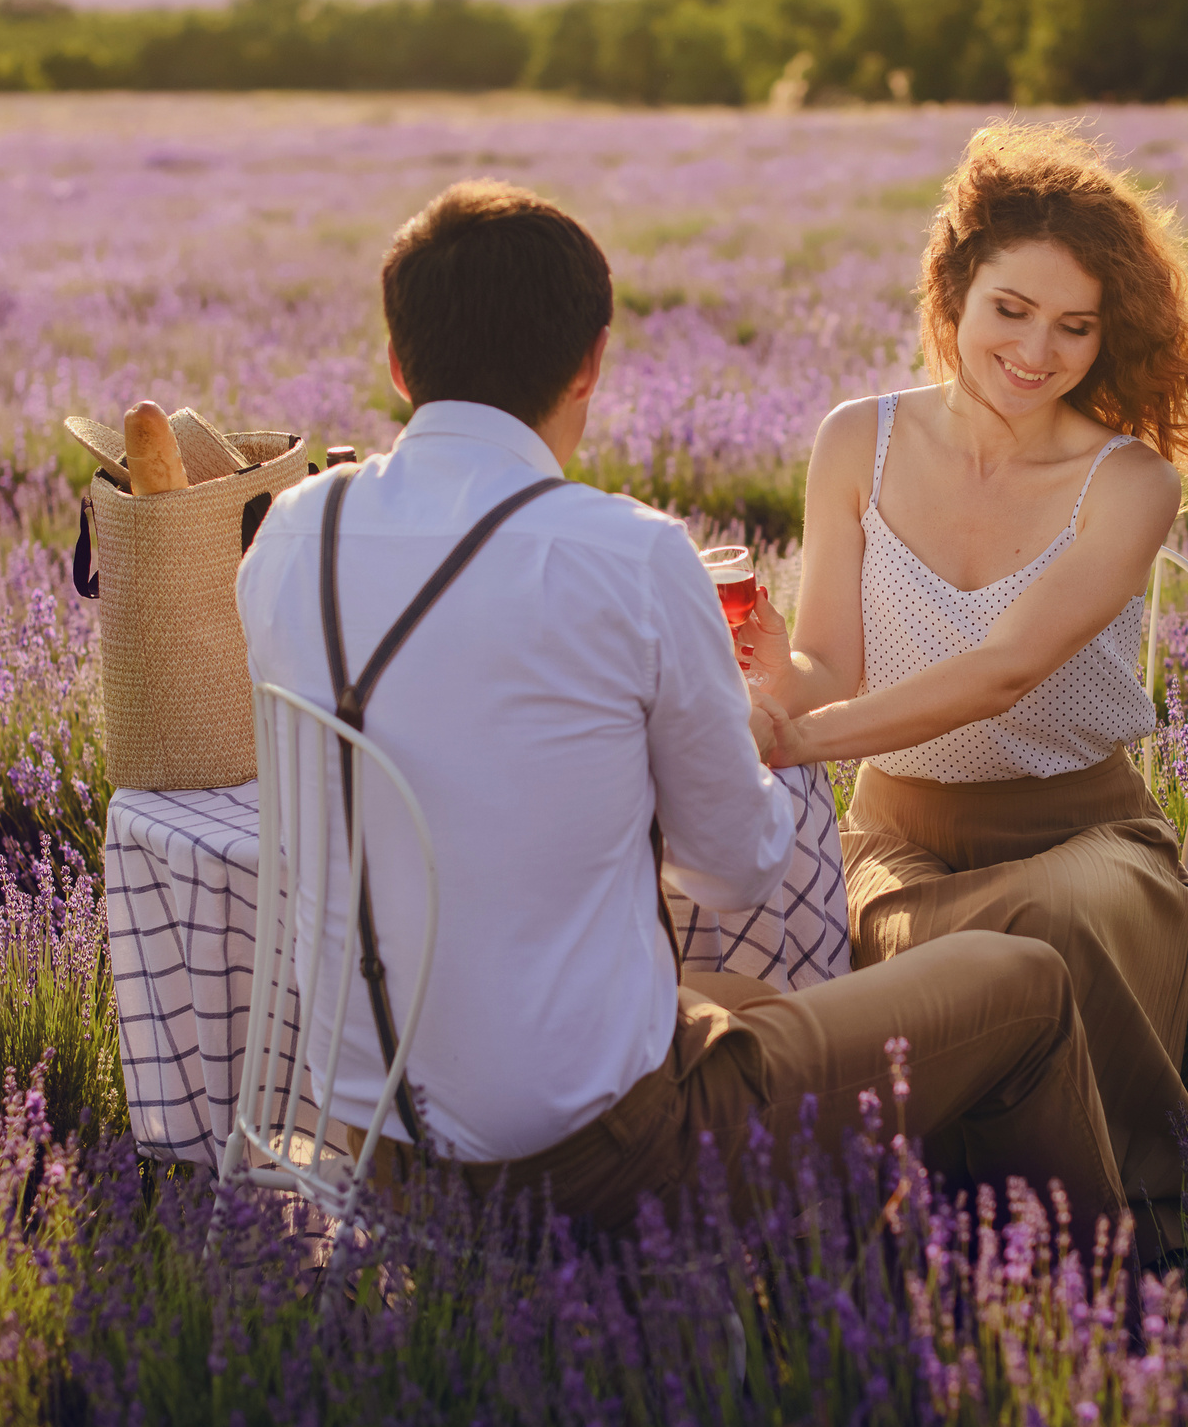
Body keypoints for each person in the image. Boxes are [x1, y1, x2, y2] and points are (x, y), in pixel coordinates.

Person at [235, 179, 1127, 1234]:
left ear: (396, 363)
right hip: (596, 1157)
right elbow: (739, 866)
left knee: (750, 1009)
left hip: (364, 1139)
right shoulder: (628, 550)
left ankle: (840, 1266)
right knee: (1020, 977)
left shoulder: (287, 531)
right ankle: (1096, 1302)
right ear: (591, 364)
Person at [739, 123, 1188, 1252]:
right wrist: (784, 684)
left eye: (1075, 326)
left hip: (1088, 833)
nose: (1036, 350)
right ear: (953, 288)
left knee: (1055, 914)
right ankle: (1036, 1230)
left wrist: (803, 736)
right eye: (1011, 309)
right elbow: (832, 662)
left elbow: (1004, 670)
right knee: (956, 944)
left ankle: (1109, 1226)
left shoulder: (1127, 482)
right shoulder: (853, 442)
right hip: (902, 844)